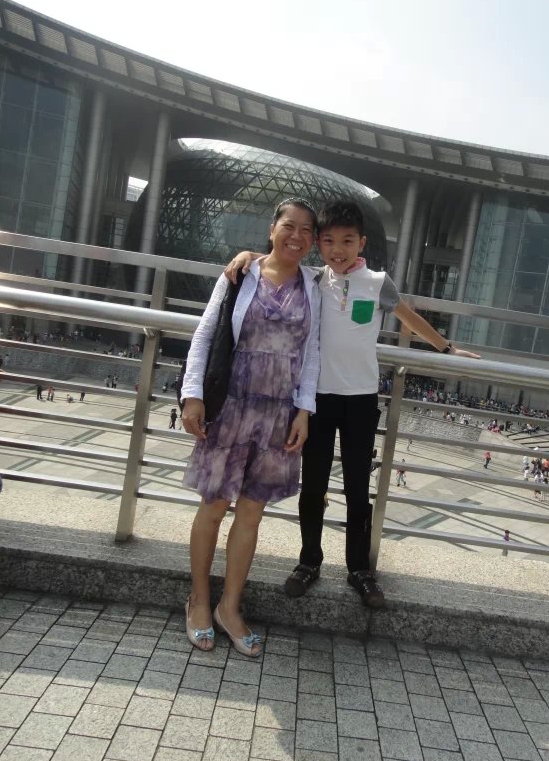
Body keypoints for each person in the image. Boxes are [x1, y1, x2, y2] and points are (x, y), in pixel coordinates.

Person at [227, 199, 480, 609]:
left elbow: (408, 317)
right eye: (328, 241)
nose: (337, 250)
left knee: (358, 490)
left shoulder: (377, 282)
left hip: (361, 399)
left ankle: (359, 569)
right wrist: (247, 255)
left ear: (361, 243)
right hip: (317, 400)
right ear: (319, 245)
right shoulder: (313, 279)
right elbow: (278, 260)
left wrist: (447, 349)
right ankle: (309, 562)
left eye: (347, 241)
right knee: (313, 487)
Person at [180, 197, 320, 657]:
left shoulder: (314, 286)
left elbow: (312, 353)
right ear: (272, 228)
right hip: (231, 405)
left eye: (306, 230)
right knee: (214, 506)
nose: (296, 236)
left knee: (252, 513)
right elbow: (206, 333)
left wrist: (304, 410)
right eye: (289, 226)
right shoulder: (240, 274)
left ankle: (230, 607)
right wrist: (193, 394)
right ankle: (199, 601)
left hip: (279, 412)